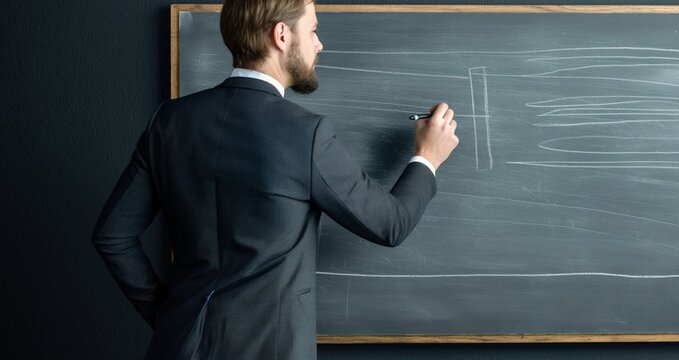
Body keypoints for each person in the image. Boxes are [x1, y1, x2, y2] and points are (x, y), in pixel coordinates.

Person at [91, 0, 459, 358]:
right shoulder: (305, 134)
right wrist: (427, 157)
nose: (320, 43)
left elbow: (112, 236)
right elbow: (390, 224)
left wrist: (170, 317)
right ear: (281, 35)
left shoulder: (168, 121)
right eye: (313, 29)